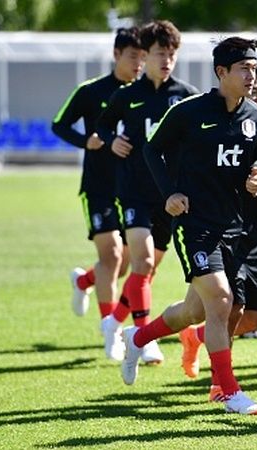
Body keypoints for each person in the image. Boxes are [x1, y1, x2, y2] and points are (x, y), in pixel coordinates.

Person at [123, 36, 257, 415]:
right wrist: (170, 193)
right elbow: (151, 149)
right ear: (222, 72)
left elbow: (255, 164)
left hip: (233, 225)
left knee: (196, 312)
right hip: (196, 225)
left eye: (254, 68)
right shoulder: (189, 112)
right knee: (221, 301)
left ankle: (137, 336)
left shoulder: (256, 116)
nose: (252, 75)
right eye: (244, 68)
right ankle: (226, 390)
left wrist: (255, 177)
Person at [178, 65, 257, 392]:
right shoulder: (224, 131)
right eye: (251, 91)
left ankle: (195, 337)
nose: (255, 96)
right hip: (226, 230)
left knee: (252, 318)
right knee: (226, 306)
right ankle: (222, 386)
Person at [95, 20, 199, 365]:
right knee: (142, 261)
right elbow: (102, 124)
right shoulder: (127, 96)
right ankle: (143, 338)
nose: (167, 60)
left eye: (172, 54)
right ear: (146, 55)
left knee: (147, 271)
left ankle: (113, 322)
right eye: (160, 54)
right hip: (134, 192)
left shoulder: (185, 96)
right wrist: (112, 141)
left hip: (168, 196)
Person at [53, 27, 143, 360]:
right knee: (112, 257)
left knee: (127, 262)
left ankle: (84, 281)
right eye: (133, 56)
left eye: (143, 57)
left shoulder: (145, 93)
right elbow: (59, 124)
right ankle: (112, 329)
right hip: (99, 188)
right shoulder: (91, 91)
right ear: (117, 54)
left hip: (134, 189)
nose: (138, 63)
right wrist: (85, 141)